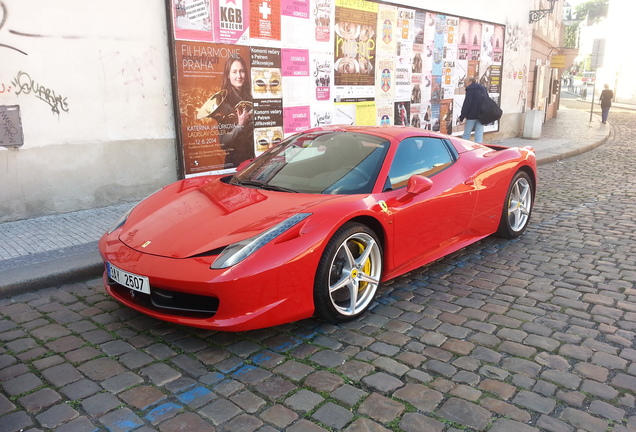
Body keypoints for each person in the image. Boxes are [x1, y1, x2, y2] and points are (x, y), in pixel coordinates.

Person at [218, 54, 254, 167]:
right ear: (228, 75)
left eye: (241, 71)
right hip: (235, 163)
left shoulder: (251, 96)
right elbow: (223, 143)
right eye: (234, 72)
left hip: (254, 158)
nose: (239, 76)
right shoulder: (223, 102)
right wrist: (240, 125)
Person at [459, 77, 486, 143]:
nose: (464, 85)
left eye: (465, 82)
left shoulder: (470, 90)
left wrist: (462, 117)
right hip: (481, 115)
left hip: (471, 116)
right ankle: (478, 149)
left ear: (470, 82)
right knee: (479, 136)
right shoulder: (483, 89)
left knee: (466, 134)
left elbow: (467, 104)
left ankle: (464, 148)